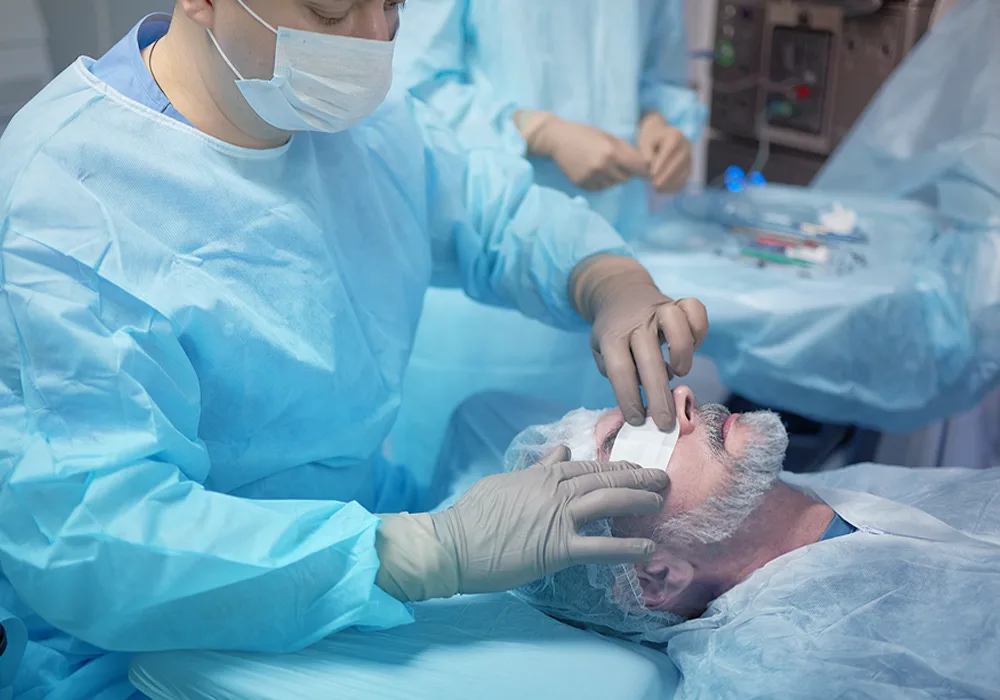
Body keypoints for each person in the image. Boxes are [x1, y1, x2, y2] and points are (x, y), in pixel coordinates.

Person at [0, 1, 710, 698]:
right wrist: (424, 553)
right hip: (134, 641)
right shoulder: (66, 207)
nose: (374, 42)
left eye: (394, 5)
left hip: (352, 561)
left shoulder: (363, 124)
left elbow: (493, 214)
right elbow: (100, 538)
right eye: (333, 12)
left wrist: (607, 278)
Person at [394, 0, 706, 240]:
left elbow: (660, 75)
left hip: (620, 225)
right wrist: (540, 133)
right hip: (495, 229)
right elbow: (415, 90)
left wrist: (656, 122)